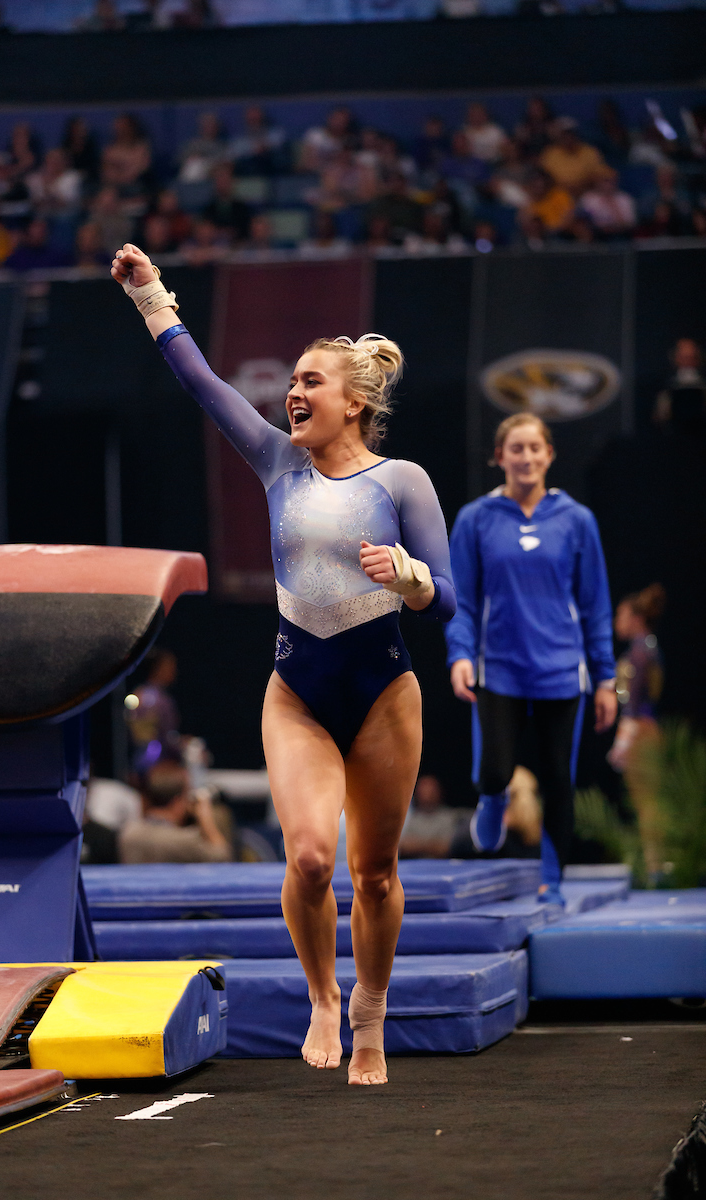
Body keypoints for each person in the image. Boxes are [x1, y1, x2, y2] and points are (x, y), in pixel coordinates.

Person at [111, 241, 456, 1085]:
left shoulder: (403, 481)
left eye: (311, 382)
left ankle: (371, 1012)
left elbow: (447, 602)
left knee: (375, 875)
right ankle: (324, 996)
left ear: (355, 403)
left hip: (384, 693)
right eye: (292, 381)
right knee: (308, 858)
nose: (293, 393)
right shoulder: (276, 463)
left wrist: (410, 578)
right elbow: (202, 381)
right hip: (297, 690)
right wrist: (151, 294)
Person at [445, 412, 617, 906]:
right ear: (499, 457)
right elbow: (461, 599)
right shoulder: (476, 519)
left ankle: (552, 881)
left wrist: (605, 678)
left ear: (549, 455)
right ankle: (492, 799)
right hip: (498, 666)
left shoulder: (576, 520)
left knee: (558, 779)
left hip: (561, 670)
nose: (526, 457)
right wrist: (460, 654)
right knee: (495, 772)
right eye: (516, 449)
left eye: (534, 448)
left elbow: (595, 604)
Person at [608, 583, 666, 878]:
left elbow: (633, 703)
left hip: (641, 730)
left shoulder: (642, 651)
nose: (616, 621)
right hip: (643, 729)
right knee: (644, 802)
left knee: (648, 803)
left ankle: (657, 867)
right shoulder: (643, 648)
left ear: (636, 618)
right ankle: (654, 865)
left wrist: (623, 739)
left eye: (620, 615)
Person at [119, 760, 232, 864]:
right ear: (178, 802)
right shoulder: (184, 841)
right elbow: (222, 858)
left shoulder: (128, 833)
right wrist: (205, 817)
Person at [399, 775, 470, 859]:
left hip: (442, 865)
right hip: (412, 865)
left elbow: (446, 848)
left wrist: (418, 844)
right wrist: (432, 845)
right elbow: (401, 847)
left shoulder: (449, 817)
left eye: (432, 790)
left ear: (439, 792)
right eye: (424, 790)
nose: (428, 794)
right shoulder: (409, 817)